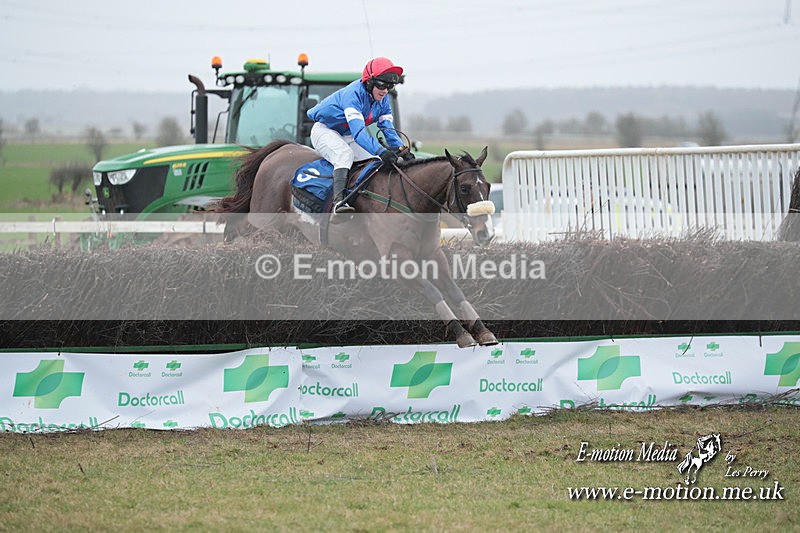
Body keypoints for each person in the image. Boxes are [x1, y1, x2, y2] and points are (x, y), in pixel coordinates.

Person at [307, 57, 412, 220]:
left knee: (375, 160)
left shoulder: (383, 101)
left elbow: (388, 131)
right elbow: (359, 133)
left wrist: (402, 150)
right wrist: (382, 151)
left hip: (346, 134)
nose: (385, 90)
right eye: (381, 85)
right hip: (325, 130)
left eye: (389, 86)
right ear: (369, 82)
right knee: (345, 155)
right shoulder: (353, 94)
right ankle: (338, 204)